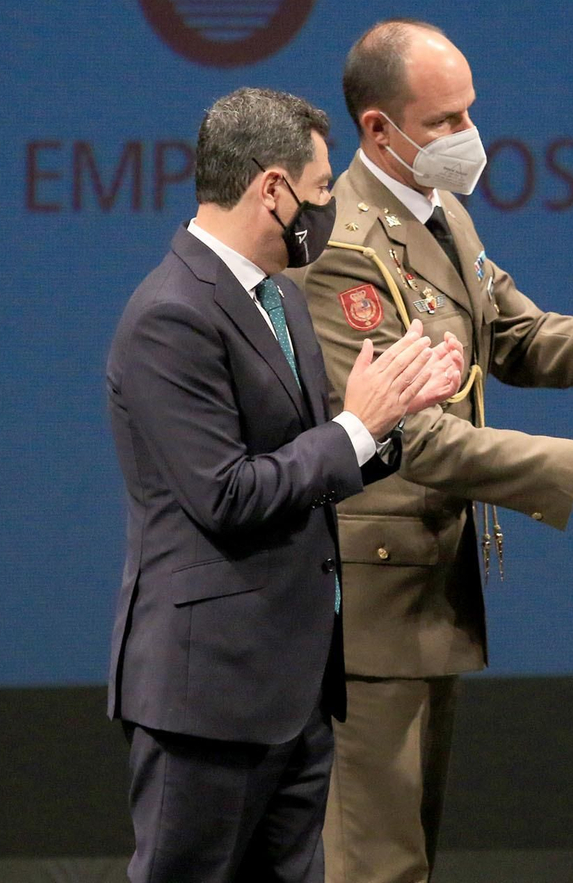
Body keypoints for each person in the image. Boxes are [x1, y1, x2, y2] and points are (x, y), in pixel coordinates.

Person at [293, 19, 573, 883]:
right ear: (379, 129)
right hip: (375, 608)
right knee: (376, 866)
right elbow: (408, 437)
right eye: (444, 122)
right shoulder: (341, 250)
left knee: (412, 853)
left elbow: (519, 337)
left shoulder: (444, 213)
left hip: (432, 592)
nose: (468, 139)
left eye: (469, 114)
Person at [106, 86, 463, 882]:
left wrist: (398, 413)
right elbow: (224, 495)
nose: (328, 206)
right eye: (323, 189)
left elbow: (326, 458)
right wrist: (358, 427)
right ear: (274, 188)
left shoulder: (278, 301)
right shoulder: (170, 315)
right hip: (209, 695)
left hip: (297, 689)